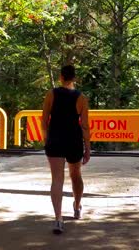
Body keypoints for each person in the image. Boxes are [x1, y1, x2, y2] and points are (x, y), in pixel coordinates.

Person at [41, 65, 91, 235]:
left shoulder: (51, 94)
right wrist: (88, 148)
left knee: (57, 180)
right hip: (73, 141)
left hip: (55, 140)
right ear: (74, 78)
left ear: (61, 77)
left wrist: (46, 138)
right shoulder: (81, 98)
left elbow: (44, 121)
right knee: (75, 175)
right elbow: (84, 126)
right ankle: (77, 207)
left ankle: (58, 219)